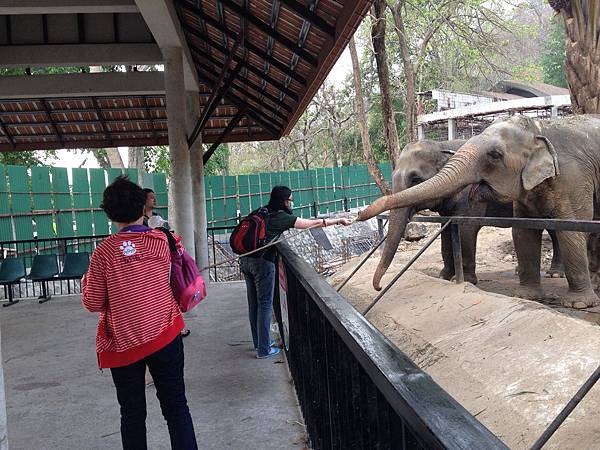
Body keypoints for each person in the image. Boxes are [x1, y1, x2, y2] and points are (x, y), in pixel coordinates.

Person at [82, 176, 197, 450]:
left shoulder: (103, 253)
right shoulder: (163, 241)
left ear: (110, 213)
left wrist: (86, 283)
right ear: (141, 207)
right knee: (177, 408)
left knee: (132, 415)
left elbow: (93, 303)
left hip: (124, 344)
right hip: (166, 334)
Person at [240, 185, 351, 359]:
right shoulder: (281, 217)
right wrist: (337, 221)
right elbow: (311, 223)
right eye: (291, 199)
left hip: (245, 261)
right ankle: (263, 350)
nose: (292, 203)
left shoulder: (261, 211)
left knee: (253, 304)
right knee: (264, 304)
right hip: (263, 263)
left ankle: (259, 344)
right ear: (284, 201)